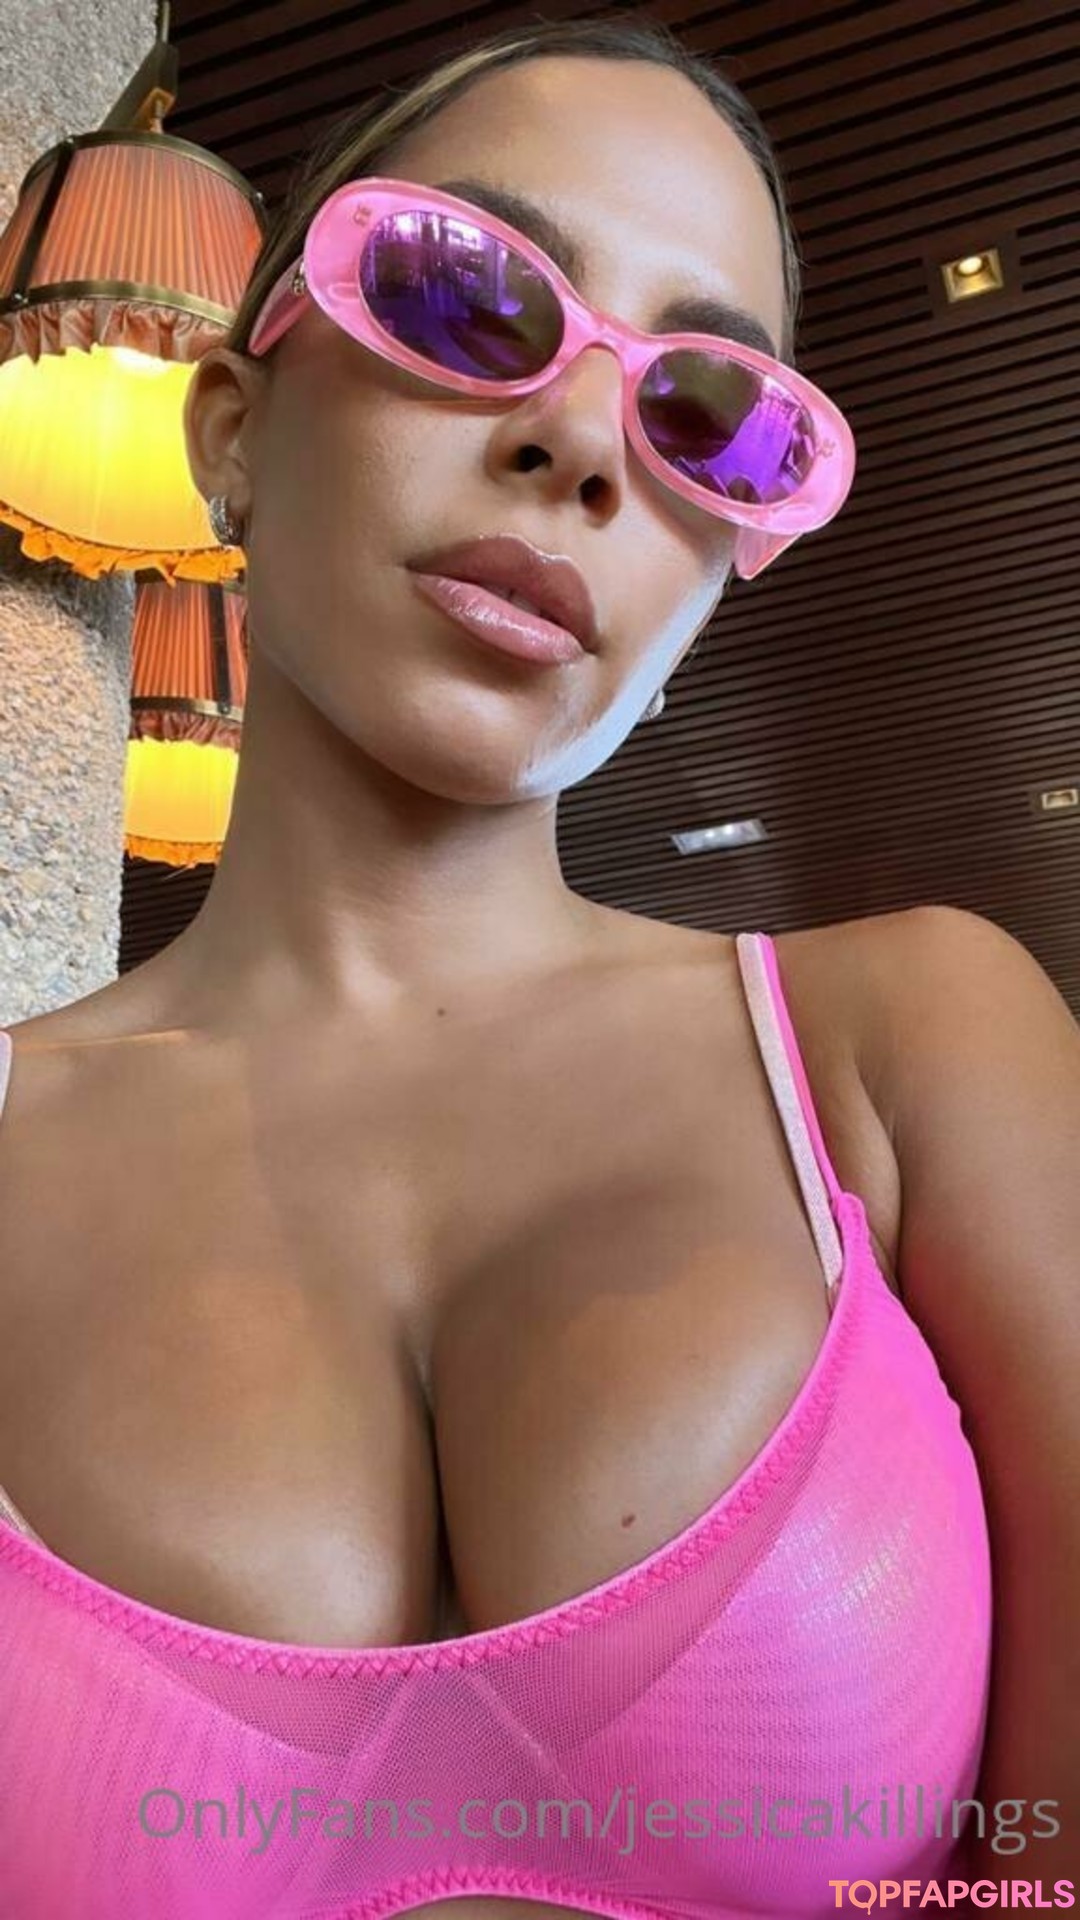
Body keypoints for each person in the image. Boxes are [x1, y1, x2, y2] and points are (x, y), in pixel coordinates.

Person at [0, 13, 1076, 1917]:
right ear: (232, 431)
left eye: (708, 414)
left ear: (718, 565)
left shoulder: (907, 1050)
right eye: (464, 293)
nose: (580, 439)